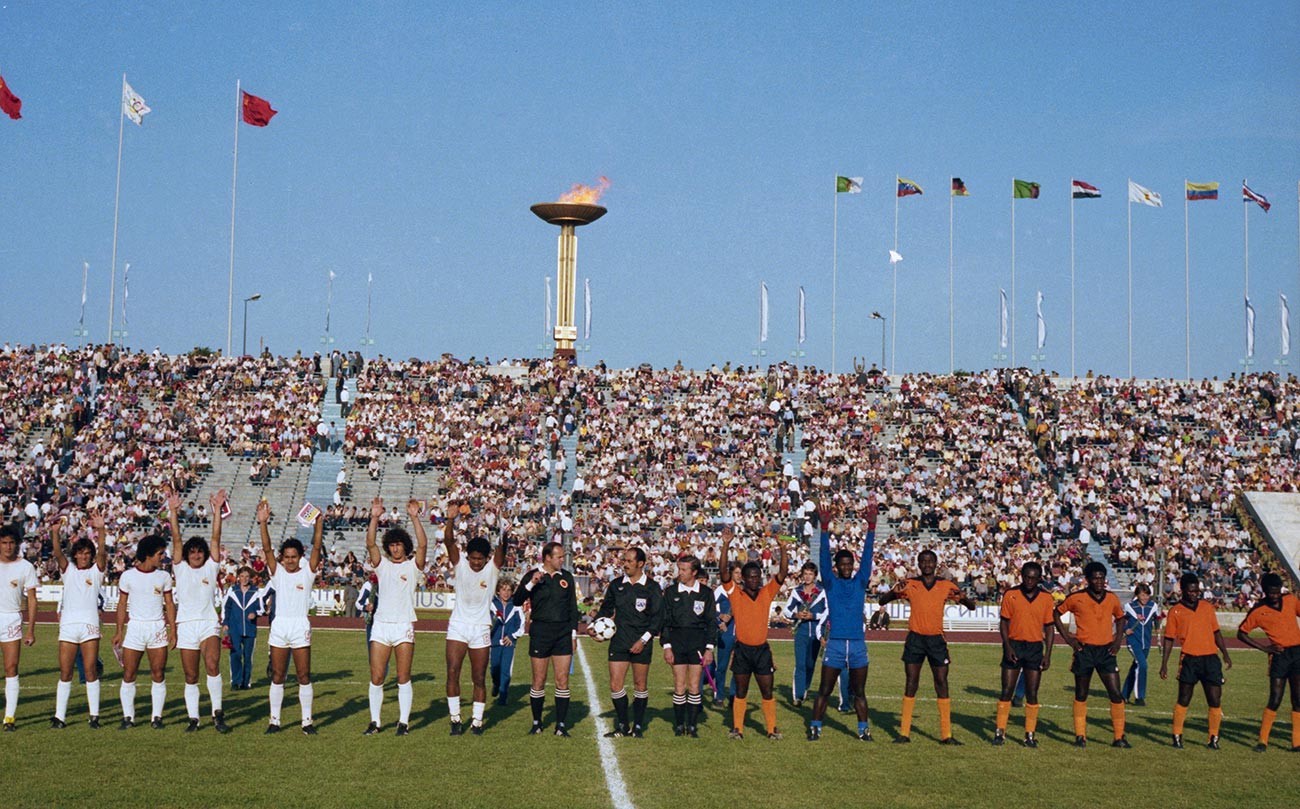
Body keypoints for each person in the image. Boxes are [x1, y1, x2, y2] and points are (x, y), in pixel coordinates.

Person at [878, 549, 976, 744]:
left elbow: (971, 606)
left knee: (941, 683)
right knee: (911, 682)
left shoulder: (945, 585)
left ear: (936, 563)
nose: (927, 564)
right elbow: (883, 600)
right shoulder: (910, 583)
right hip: (915, 639)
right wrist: (894, 591)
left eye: (930, 561)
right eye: (923, 561)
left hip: (936, 640)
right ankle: (904, 733)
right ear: (919, 564)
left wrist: (963, 598)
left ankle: (946, 735)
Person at [807, 504, 875, 741]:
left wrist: (872, 528)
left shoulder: (860, 581)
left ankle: (863, 729)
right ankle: (815, 726)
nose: (846, 567)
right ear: (837, 567)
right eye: (842, 564)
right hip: (835, 644)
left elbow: (868, 556)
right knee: (824, 689)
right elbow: (823, 559)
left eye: (849, 564)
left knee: (859, 692)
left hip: (857, 644)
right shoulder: (831, 582)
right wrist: (824, 529)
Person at [362, 497, 428, 736]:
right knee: (377, 676)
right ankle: (375, 722)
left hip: (403, 625)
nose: (395, 548)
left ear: (404, 546)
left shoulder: (413, 566)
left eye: (399, 544)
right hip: (381, 625)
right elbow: (370, 544)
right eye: (392, 544)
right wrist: (374, 517)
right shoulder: (382, 565)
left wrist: (414, 517)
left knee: (403, 677)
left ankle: (403, 722)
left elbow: (423, 545)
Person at [258, 499, 325, 735]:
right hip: (279, 627)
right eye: (286, 556)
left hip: (300, 626)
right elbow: (267, 550)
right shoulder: (277, 572)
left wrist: (319, 524)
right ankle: (274, 720)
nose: (289, 560)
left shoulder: (307, 573)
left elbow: (316, 548)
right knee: (278, 675)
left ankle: (307, 721)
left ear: (300, 556)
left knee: (304, 675)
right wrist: (262, 523)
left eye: (293, 556)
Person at [166, 489, 230, 733]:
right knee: (191, 675)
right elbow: (176, 539)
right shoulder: (180, 568)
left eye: (198, 552)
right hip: (186, 624)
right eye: (192, 552)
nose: (195, 555)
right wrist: (173, 511)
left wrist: (217, 511)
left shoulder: (210, 568)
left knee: (212, 664)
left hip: (207, 623)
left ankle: (217, 712)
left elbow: (215, 539)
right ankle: (194, 718)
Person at [719, 526, 789, 740]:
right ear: (744, 578)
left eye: (757, 576)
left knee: (767, 691)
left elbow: (783, 573)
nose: (754, 579)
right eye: (750, 576)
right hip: (741, 650)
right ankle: (738, 729)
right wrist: (725, 545)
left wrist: (783, 549)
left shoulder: (766, 592)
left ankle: (771, 729)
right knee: (741, 691)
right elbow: (723, 573)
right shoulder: (735, 593)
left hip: (761, 651)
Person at [443, 504, 507, 736]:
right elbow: (450, 543)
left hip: (481, 628)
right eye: (473, 558)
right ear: (467, 556)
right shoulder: (460, 565)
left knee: (478, 677)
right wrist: (450, 520)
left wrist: (504, 528)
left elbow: (502, 549)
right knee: (452, 671)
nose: (476, 563)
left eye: (480, 559)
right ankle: (455, 718)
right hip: (458, 626)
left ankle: (477, 721)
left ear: (486, 558)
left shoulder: (492, 569)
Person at [1052, 561, 1129, 748]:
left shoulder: (1111, 598)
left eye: (1102, 578)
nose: (1099, 581)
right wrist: (1070, 640)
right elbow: (1056, 613)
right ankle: (1080, 736)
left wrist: (1117, 641)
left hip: (1106, 651)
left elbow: (1120, 618)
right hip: (1084, 651)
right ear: (1087, 580)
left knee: (1116, 694)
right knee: (1081, 693)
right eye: (1095, 578)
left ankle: (1119, 737)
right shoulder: (1076, 597)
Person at [590, 546, 663, 738]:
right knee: (615, 685)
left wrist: (644, 640)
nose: (625, 564)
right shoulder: (616, 585)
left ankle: (638, 726)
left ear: (641, 564)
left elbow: (657, 619)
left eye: (630, 561)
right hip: (619, 640)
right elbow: (606, 609)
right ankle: (622, 725)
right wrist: (594, 625)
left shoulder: (652, 587)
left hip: (642, 642)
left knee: (640, 685)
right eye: (624, 560)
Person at [513, 540, 581, 736]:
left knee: (562, 680)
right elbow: (517, 600)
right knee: (539, 680)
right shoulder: (533, 575)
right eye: (559, 557)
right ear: (548, 558)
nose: (562, 559)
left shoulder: (566, 577)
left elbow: (573, 609)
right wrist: (531, 583)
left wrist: (573, 634)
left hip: (562, 634)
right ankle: (537, 722)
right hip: (540, 632)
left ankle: (560, 725)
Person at [1160, 572, 1233, 749]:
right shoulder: (1175, 611)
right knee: (1184, 698)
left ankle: (1213, 738)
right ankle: (1177, 736)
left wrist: (1225, 653)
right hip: (1189, 659)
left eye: (1196, 591)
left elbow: (1216, 632)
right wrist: (1164, 664)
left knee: (1215, 699)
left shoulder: (1207, 607)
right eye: (1191, 591)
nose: (1194, 594)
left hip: (1210, 659)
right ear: (1183, 590)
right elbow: (1169, 638)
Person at [112, 533, 176, 730]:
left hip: (157, 628)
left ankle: (156, 717)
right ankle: (128, 717)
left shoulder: (164, 576)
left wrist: (173, 630)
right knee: (129, 673)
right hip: (135, 628)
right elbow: (122, 604)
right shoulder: (128, 576)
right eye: (160, 553)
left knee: (158, 673)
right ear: (148, 554)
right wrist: (119, 631)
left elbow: (169, 604)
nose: (163, 557)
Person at [50, 513, 107, 729]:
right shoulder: (68, 570)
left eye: (87, 553)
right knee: (65, 672)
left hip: (90, 627)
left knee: (91, 671)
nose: (83, 556)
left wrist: (101, 531)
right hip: (68, 627)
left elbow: (102, 553)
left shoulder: (96, 571)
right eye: (80, 553)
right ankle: (60, 717)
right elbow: (57, 552)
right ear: (75, 555)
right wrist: (55, 532)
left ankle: (94, 716)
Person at [1235, 572, 1300, 752]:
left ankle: (1297, 742)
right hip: (1279, 656)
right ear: (1264, 591)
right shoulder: (1258, 610)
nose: (1274, 595)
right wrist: (1265, 648)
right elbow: (1241, 633)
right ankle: (1262, 740)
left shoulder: (1291, 600)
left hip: (1297, 653)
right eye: (1271, 592)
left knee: (1298, 698)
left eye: (1277, 591)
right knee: (1275, 698)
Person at [993, 561, 1055, 748]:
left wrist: (1048, 653)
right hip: (1014, 645)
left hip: (1035, 648)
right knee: (1007, 690)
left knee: (1032, 693)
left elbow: (1050, 627)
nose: (1029, 580)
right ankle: (999, 732)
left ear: (1039, 578)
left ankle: (1029, 734)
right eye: (1026, 576)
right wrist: (1008, 646)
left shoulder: (1045, 598)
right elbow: (1003, 622)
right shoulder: (1011, 594)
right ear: (1021, 576)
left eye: (1033, 577)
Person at [660, 554, 716, 737]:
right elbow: (665, 621)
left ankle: (692, 726)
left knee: (694, 686)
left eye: (684, 570)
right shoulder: (670, 592)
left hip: (697, 644)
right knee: (679, 685)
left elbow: (711, 622)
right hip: (677, 643)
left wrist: (709, 649)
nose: (680, 573)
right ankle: (679, 725)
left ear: (694, 572)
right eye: (679, 569)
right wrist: (666, 646)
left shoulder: (706, 593)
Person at [0, 523, 38, 731]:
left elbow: (32, 600)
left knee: (11, 667)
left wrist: (31, 629)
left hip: (12, 619)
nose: (8, 547)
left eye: (11, 543)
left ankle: (9, 717)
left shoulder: (26, 567)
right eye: (4, 543)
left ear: (17, 545)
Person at [783, 561, 826, 708]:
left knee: (810, 664)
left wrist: (813, 616)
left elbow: (827, 612)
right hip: (801, 632)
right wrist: (797, 614)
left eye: (810, 574)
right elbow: (786, 611)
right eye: (805, 574)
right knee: (800, 664)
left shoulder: (822, 592)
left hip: (816, 633)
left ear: (815, 575)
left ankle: (805, 687)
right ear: (802, 575)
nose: (807, 577)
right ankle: (798, 695)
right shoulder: (797, 591)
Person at [221, 566, 263, 690]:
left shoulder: (255, 592)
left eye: (247, 576)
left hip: (250, 629)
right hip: (235, 628)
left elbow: (261, 608)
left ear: (250, 578)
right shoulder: (232, 591)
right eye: (242, 576)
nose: (244, 579)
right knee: (235, 654)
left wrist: (255, 613)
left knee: (248, 656)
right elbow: (226, 607)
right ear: (238, 577)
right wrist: (225, 622)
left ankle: (246, 682)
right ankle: (235, 681)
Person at [1121, 583, 1160, 706]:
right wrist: (1125, 629)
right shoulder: (1129, 607)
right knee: (1143, 665)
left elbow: (1157, 619)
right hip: (1133, 641)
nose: (1145, 597)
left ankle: (1124, 695)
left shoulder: (1153, 606)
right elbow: (1121, 620)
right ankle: (1140, 697)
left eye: (1147, 595)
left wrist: (1158, 630)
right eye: (1142, 595)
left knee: (1136, 667)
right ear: (1137, 595)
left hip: (1146, 643)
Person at [490, 579, 525, 707]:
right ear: (498, 591)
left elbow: (521, 625)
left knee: (506, 670)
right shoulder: (492, 604)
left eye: (509, 590)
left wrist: (512, 636)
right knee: (494, 668)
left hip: (509, 644)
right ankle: (496, 683)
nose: (506, 593)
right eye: (503, 589)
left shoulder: (516, 606)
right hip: (494, 643)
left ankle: (503, 697)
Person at [709, 563, 739, 707]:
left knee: (738, 666)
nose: (739, 576)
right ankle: (719, 694)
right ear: (730, 574)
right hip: (726, 633)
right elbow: (710, 608)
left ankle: (734, 694)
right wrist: (719, 618)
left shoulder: (744, 590)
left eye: (741, 573)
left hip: (741, 634)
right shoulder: (721, 590)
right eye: (736, 573)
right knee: (722, 666)